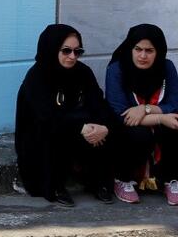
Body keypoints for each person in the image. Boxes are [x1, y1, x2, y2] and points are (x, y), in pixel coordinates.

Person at [15, 24, 116, 206]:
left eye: (77, 51)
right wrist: (80, 127)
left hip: (80, 129)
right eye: (66, 51)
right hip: (42, 135)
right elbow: (44, 116)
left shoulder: (83, 73)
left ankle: (98, 183)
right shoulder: (37, 77)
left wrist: (103, 127)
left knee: (107, 130)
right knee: (56, 135)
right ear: (52, 49)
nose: (72, 57)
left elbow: (99, 104)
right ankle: (54, 187)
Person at [105, 23, 178, 205]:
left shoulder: (167, 67)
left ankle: (170, 179)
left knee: (175, 125)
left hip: (154, 120)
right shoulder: (117, 69)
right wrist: (160, 117)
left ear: (158, 51)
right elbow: (121, 114)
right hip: (125, 128)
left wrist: (145, 109)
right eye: (138, 49)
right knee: (139, 134)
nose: (143, 56)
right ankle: (123, 179)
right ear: (130, 48)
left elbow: (174, 103)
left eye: (149, 50)